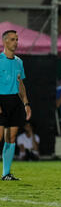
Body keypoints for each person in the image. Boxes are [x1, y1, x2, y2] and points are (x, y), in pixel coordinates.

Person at [0, 30, 32, 180]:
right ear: (5, 41)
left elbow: (21, 84)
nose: (16, 42)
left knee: (11, 138)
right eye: (13, 39)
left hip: (15, 102)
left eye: (17, 39)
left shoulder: (19, 62)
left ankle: (6, 174)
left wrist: (26, 103)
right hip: (1, 100)